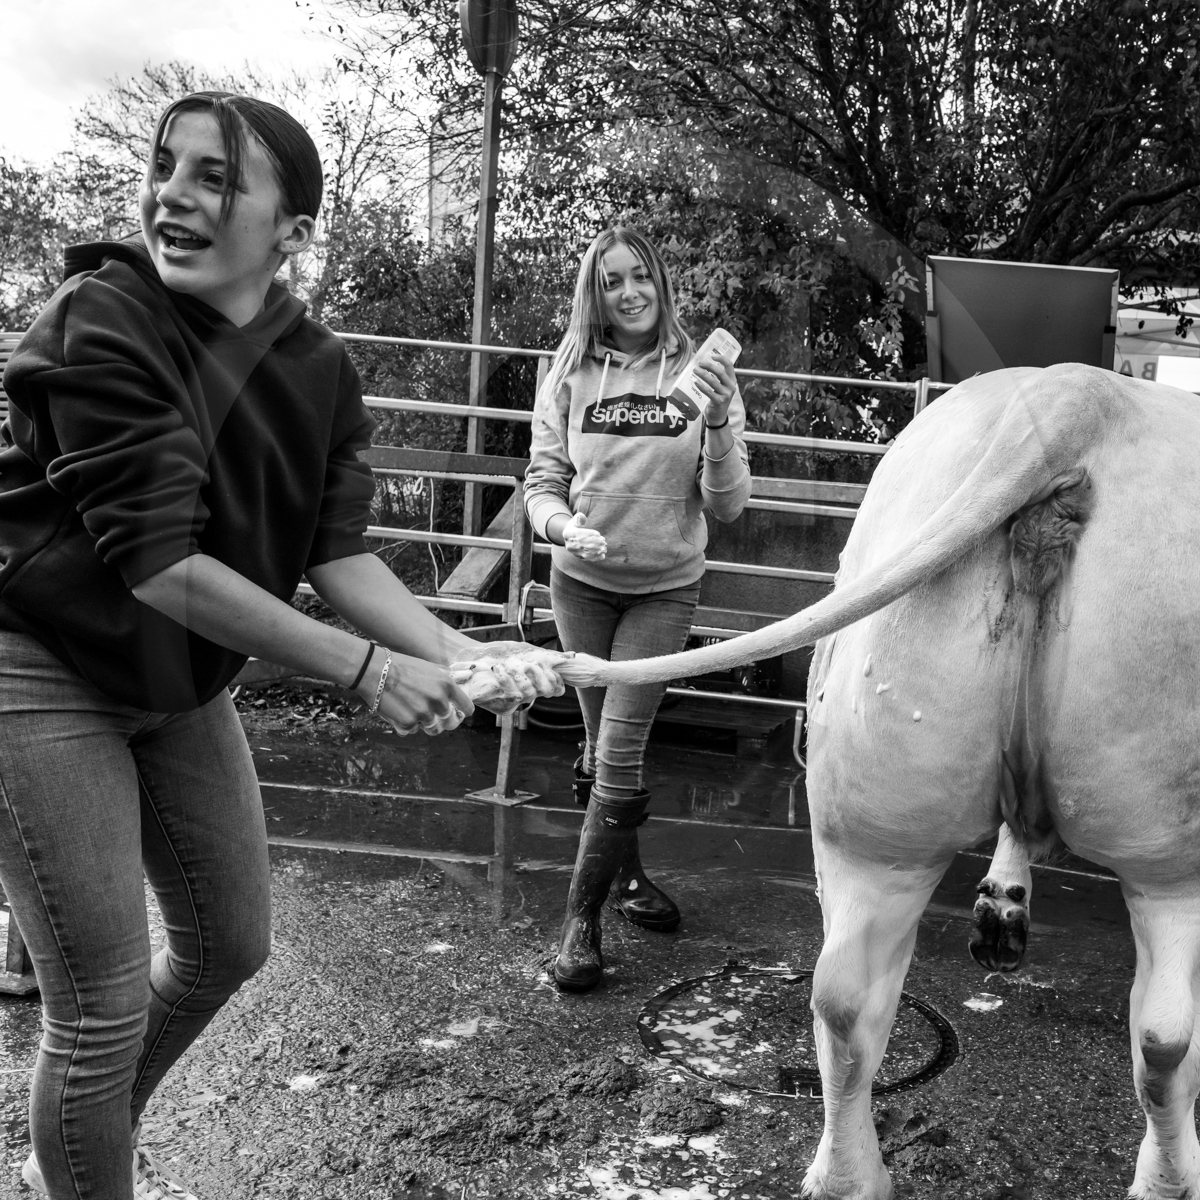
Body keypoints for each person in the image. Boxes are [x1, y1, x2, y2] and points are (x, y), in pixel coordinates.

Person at [0, 91, 547, 1200]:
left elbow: (337, 556)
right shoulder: (101, 320)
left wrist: (462, 651)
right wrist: (367, 668)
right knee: (101, 1006)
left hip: (175, 680)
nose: (175, 195)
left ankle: (80, 1139)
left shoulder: (318, 367)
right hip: (37, 666)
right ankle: (86, 1159)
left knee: (226, 945)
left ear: (290, 231)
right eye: (169, 167)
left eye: (215, 178)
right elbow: (162, 562)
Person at [524, 227, 752, 991]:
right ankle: (626, 881)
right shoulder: (567, 374)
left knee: (619, 752)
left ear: (660, 283)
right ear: (596, 294)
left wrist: (717, 421)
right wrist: (563, 529)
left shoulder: (703, 374)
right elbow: (542, 482)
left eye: (640, 278)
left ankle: (578, 923)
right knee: (601, 748)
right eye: (612, 281)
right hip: (579, 585)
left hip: (664, 589)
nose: (629, 293)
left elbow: (728, 504)